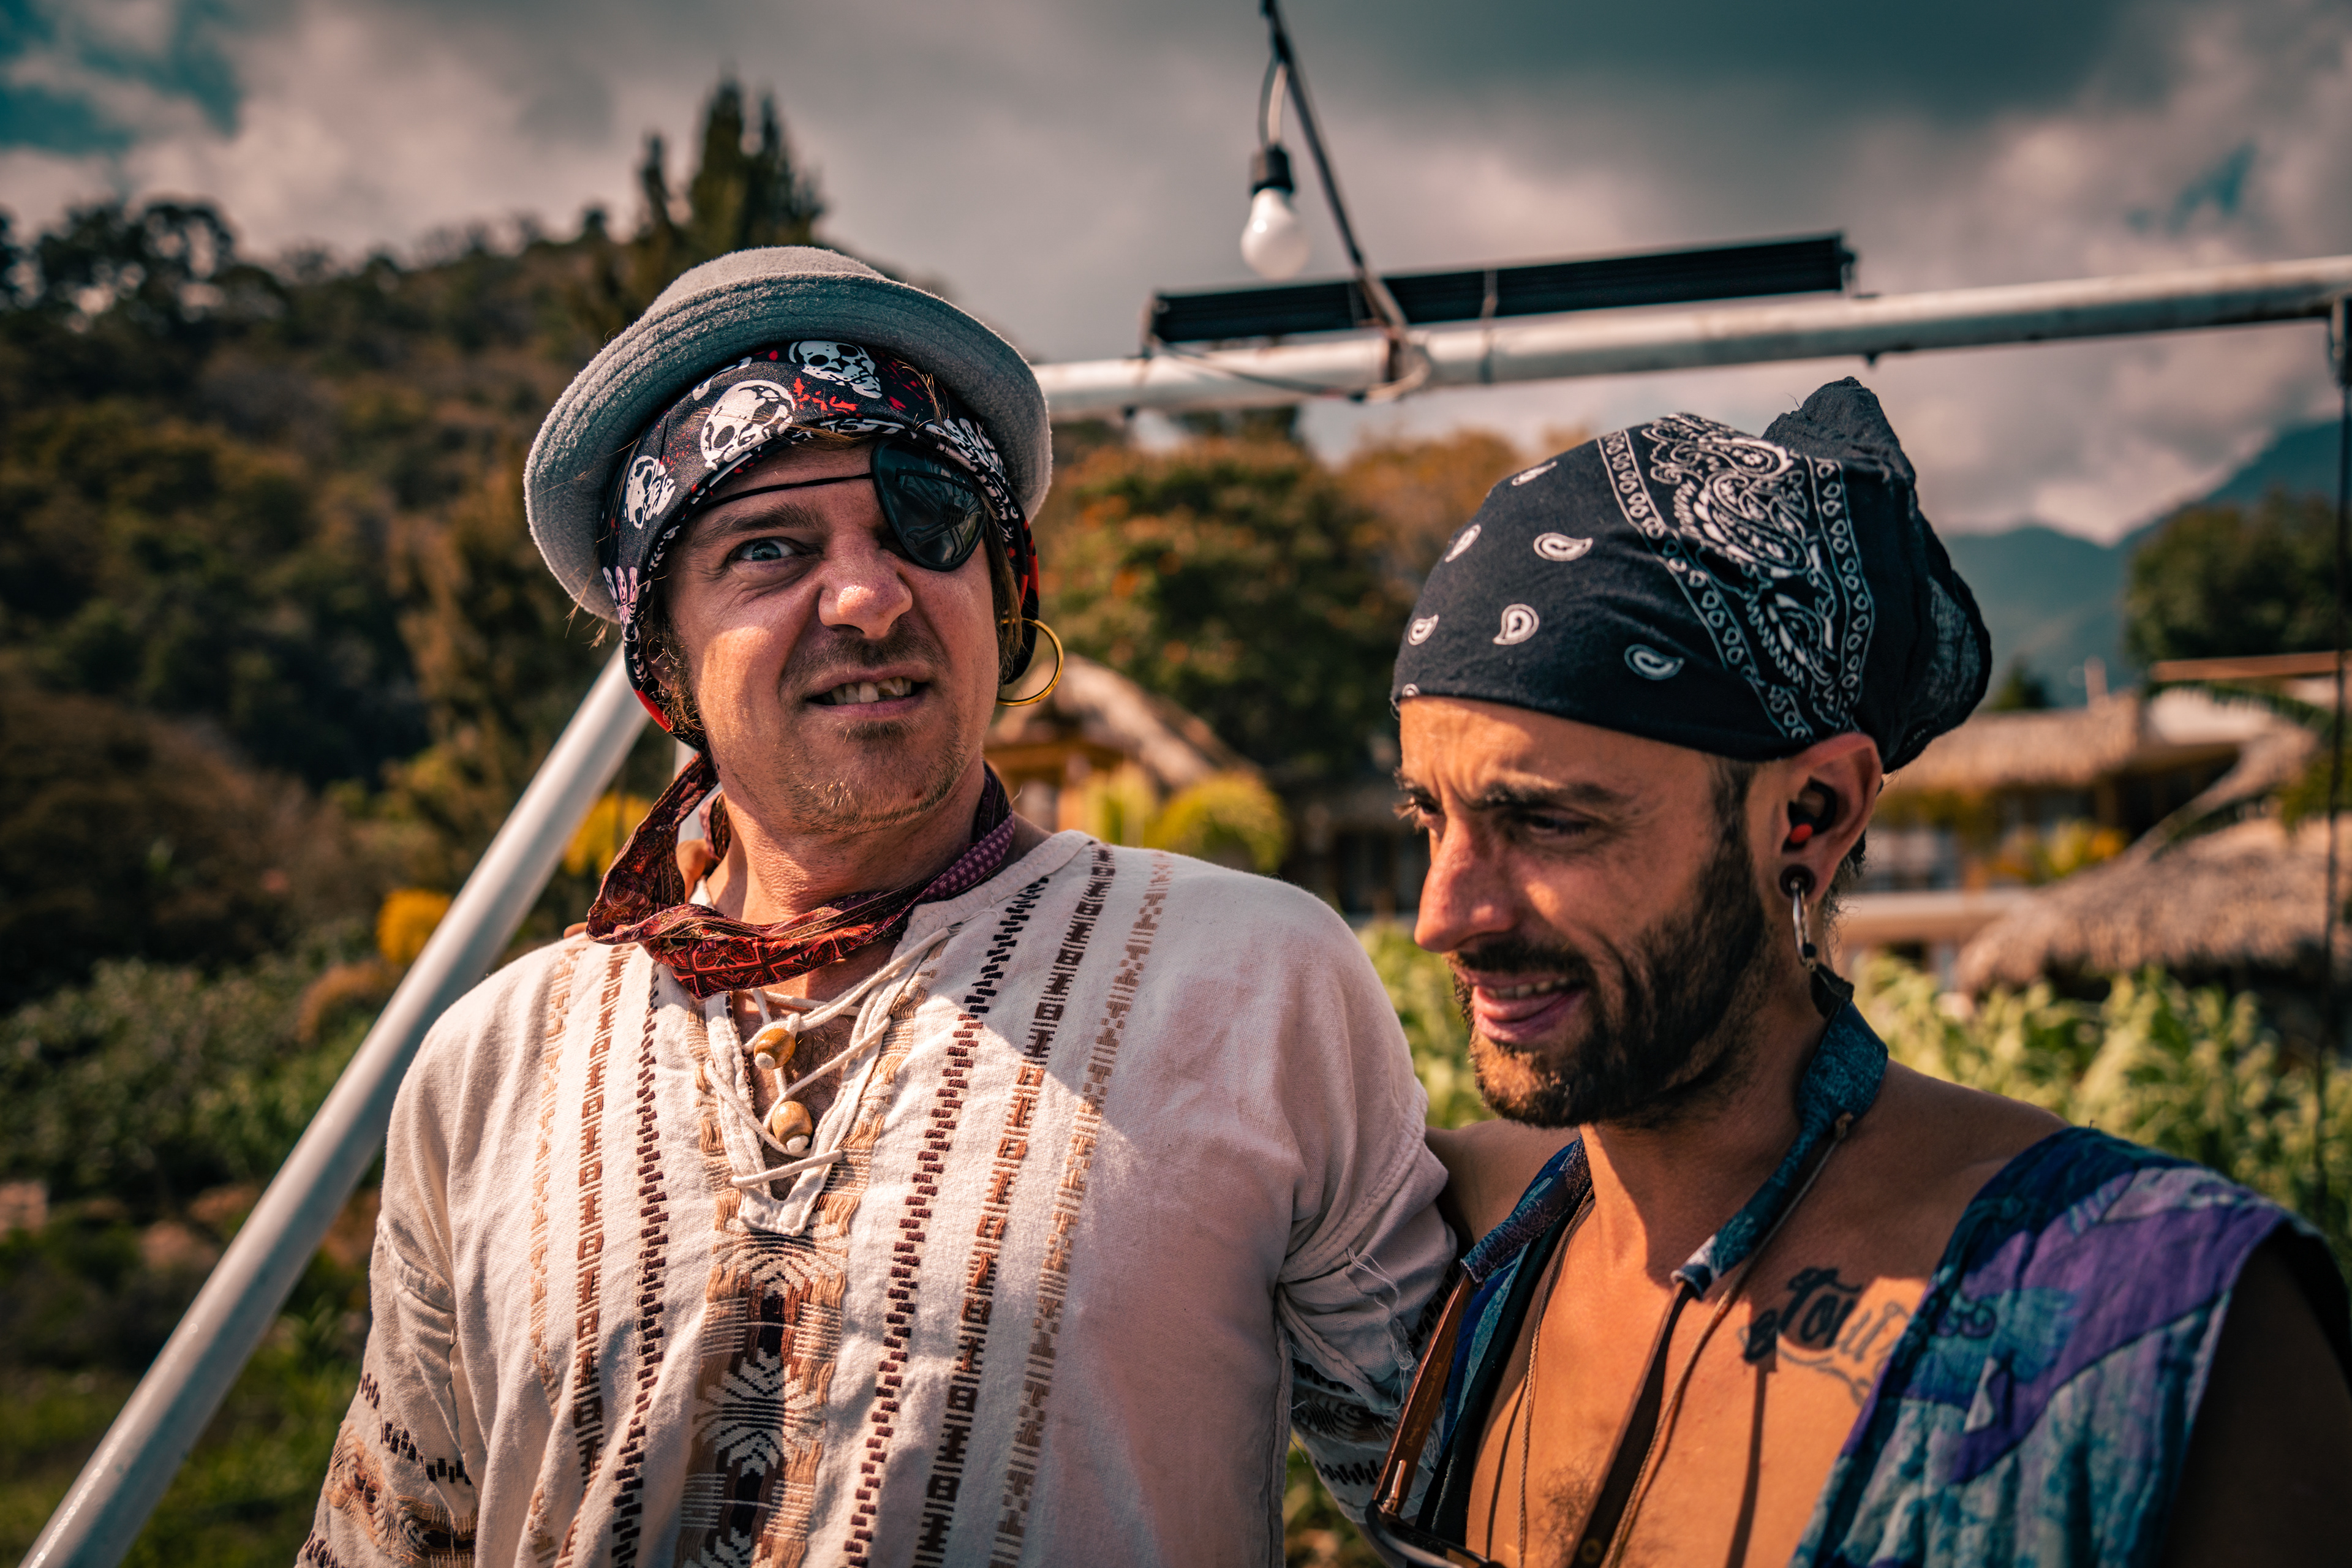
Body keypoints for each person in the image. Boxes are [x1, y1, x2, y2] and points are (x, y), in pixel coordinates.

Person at [301, 246, 1451, 1567]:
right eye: (771, 547)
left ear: (1007, 599)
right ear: (660, 669)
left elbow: (1459, 1503)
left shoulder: (1257, 979)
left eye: (926, 522)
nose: (869, 593)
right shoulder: (490, 1065)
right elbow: (394, 1537)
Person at [1363, 381, 2352, 1568]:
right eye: (1433, 816)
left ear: (1812, 811)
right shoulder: (1466, 1242)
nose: (1445, 914)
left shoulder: (2158, 1319)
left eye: (1550, 821)